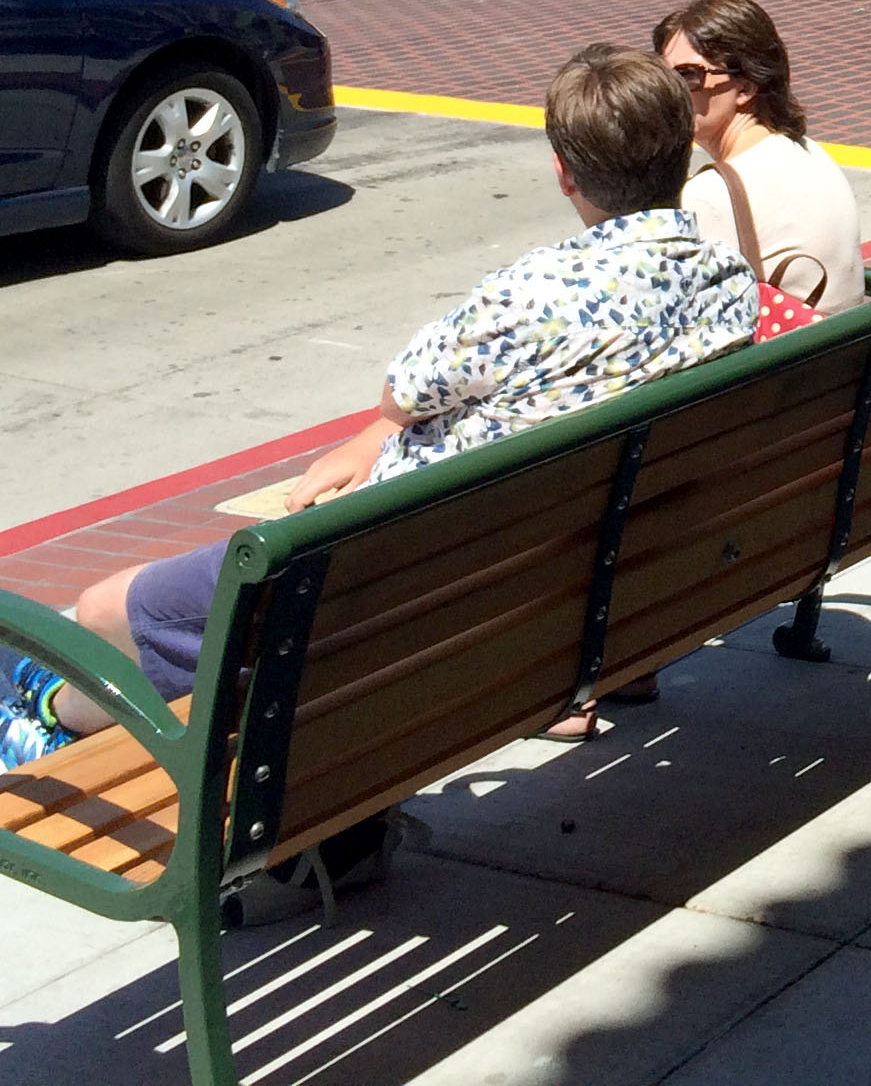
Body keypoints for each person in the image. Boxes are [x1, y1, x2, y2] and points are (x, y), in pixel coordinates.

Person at [0, 46, 758, 777]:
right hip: (580, 578)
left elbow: (409, 385)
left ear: (563, 172)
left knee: (104, 610)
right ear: (680, 153)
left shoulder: (533, 294)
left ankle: (50, 722)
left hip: (399, 589)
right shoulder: (729, 281)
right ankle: (44, 703)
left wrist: (378, 436)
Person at [656, 0, 864, 315]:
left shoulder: (710, 195)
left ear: (746, 87)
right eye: (662, 75)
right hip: (843, 354)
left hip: (787, 363)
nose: (669, 91)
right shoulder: (810, 152)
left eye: (688, 76)